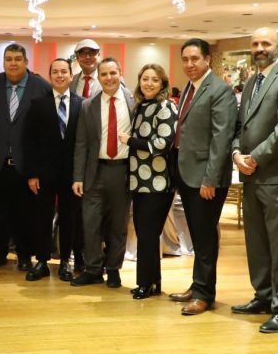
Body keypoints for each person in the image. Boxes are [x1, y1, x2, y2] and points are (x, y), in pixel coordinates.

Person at [230, 27, 278, 333]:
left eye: (265, 43)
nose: (260, 48)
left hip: (276, 176)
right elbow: (241, 126)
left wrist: (256, 157)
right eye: (255, 44)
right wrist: (237, 153)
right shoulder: (252, 81)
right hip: (250, 175)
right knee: (256, 241)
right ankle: (262, 295)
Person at [169, 38, 238, 316]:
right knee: (197, 235)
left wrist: (210, 179)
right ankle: (198, 285)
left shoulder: (220, 90)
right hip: (187, 174)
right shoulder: (190, 87)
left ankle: (204, 295)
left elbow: (221, 138)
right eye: (185, 59)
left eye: (195, 58)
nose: (189, 64)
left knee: (205, 237)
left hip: (206, 179)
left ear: (208, 59)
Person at [0, 43, 52, 270]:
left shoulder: (42, 87)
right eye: (9, 59)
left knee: (25, 215)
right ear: (3, 62)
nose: (13, 63)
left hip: (26, 165)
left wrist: (39, 168)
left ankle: (25, 255)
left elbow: (45, 132)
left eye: (18, 59)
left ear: (26, 62)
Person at [71, 57, 135, 288]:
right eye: (104, 74)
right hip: (94, 172)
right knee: (91, 224)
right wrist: (78, 177)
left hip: (123, 172)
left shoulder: (134, 102)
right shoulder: (88, 105)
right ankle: (93, 269)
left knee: (118, 225)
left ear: (120, 73)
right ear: (98, 77)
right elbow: (81, 144)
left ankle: (114, 269)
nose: (109, 78)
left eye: (112, 73)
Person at [23, 58, 82, 281]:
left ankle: (66, 261)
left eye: (64, 71)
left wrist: (80, 175)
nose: (59, 75)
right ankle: (41, 261)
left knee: (69, 218)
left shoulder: (81, 104)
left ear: (71, 76)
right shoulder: (38, 103)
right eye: (55, 72)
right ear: (50, 76)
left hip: (71, 174)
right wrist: (31, 174)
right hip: (43, 172)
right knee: (42, 217)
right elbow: (29, 141)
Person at [127, 64, 178, 299]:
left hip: (158, 183)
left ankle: (144, 284)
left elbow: (162, 144)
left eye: (154, 80)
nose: (149, 83)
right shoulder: (140, 106)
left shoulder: (166, 107)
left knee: (147, 234)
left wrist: (130, 141)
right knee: (145, 233)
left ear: (162, 84)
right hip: (139, 181)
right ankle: (153, 281)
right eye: (145, 79)